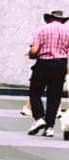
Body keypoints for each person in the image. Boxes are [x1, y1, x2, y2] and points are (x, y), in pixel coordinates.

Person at [26, 8, 69, 139]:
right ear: (62, 20)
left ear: (50, 18)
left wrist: (31, 54)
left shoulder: (42, 30)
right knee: (54, 96)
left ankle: (39, 118)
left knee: (35, 92)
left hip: (43, 64)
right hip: (60, 64)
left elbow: (34, 50)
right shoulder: (67, 31)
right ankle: (49, 128)